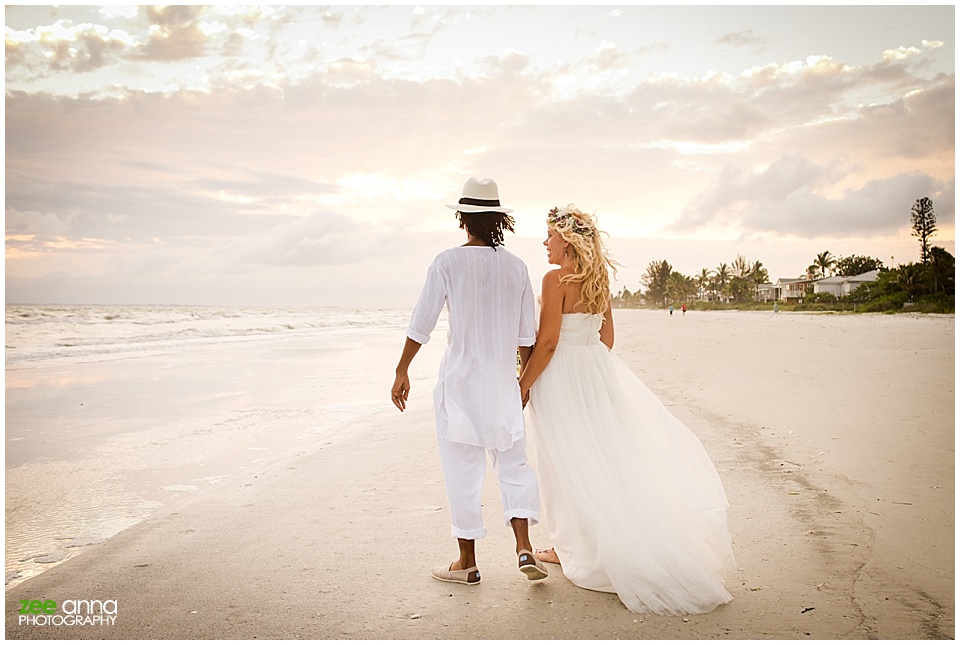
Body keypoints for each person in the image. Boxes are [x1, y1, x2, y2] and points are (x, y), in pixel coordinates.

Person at [518, 204, 734, 615]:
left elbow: (546, 343)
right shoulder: (598, 280)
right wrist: (587, 366)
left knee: (564, 462)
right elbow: (608, 338)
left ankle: (572, 548)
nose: (545, 242)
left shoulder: (553, 279)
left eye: (549, 235)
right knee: (600, 457)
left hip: (559, 378)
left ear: (568, 240)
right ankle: (586, 541)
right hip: (595, 374)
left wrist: (523, 385)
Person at [391, 178, 549, 586]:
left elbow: (420, 323)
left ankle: (467, 563)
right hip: (503, 384)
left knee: (462, 471)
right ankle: (524, 547)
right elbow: (526, 337)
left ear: (462, 217)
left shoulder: (446, 262)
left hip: (459, 385)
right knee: (513, 465)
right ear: (499, 218)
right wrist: (524, 384)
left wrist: (402, 369)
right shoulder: (516, 267)